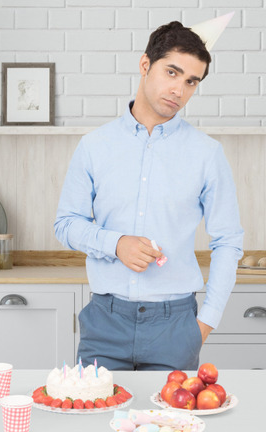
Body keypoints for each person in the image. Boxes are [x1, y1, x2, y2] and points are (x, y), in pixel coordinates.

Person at [54, 18, 244, 371]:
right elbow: (66, 224)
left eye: (191, 82)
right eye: (172, 73)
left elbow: (229, 241)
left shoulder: (207, 153)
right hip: (104, 322)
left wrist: (205, 323)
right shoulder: (94, 146)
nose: (179, 90)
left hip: (176, 327)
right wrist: (116, 244)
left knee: (171, 426)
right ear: (145, 65)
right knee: (93, 423)